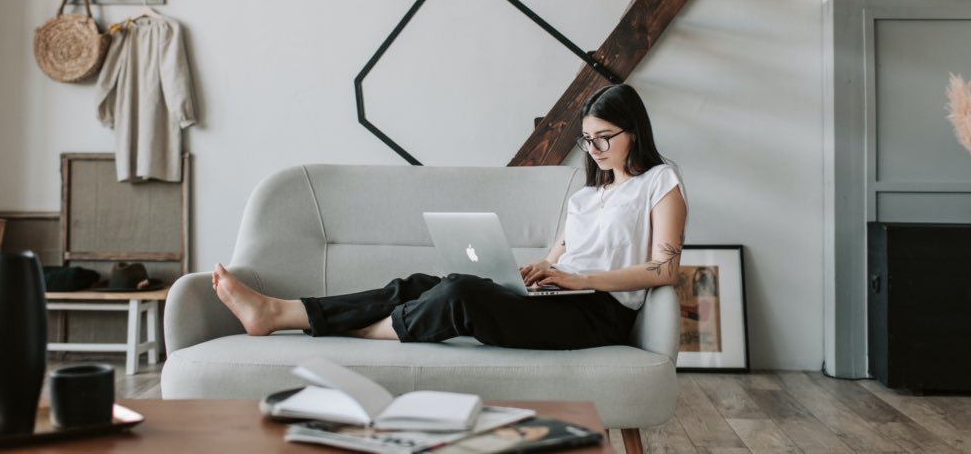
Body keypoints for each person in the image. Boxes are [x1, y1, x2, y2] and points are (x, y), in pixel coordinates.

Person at [213, 83, 687, 351]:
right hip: (557, 300)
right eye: (587, 140)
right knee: (423, 282)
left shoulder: (660, 182)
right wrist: (538, 273)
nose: (595, 149)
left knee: (459, 294)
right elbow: (556, 259)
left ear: (633, 131)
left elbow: (665, 270)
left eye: (604, 137)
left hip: (596, 316)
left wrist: (579, 280)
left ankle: (360, 329)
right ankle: (277, 311)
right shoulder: (586, 196)